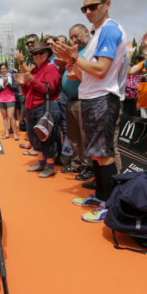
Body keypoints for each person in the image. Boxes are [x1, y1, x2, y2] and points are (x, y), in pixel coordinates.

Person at [54, 0, 128, 222]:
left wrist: (74, 59)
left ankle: (111, 204)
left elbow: (101, 69)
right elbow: (83, 75)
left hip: (102, 98)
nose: (88, 11)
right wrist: (70, 64)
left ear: (107, 5)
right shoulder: (98, 34)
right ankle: (101, 196)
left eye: (93, 6)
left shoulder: (109, 30)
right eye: (84, 8)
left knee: (104, 154)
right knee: (95, 154)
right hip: (91, 97)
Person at [16, 42, 61, 178]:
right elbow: (28, 91)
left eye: (41, 53)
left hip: (44, 106)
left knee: (46, 136)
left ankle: (50, 165)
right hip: (32, 107)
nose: (38, 55)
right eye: (35, 53)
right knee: (34, 136)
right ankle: (41, 162)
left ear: (47, 53)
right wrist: (23, 84)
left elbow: (50, 89)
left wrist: (32, 80)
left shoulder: (51, 68)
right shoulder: (35, 70)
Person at [60, 24, 93, 181]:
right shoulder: (76, 52)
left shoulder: (89, 51)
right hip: (70, 100)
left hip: (83, 99)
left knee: (84, 136)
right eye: (71, 37)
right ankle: (76, 163)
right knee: (73, 136)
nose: (73, 40)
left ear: (86, 32)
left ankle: (88, 166)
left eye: (76, 36)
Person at [0, 63, 19, 140]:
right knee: (4, 117)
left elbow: (15, 88)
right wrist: (3, 85)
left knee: (11, 117)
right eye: (2, 69)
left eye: (4, 68)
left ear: (7, 69)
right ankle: (7, 133)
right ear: (0, 70)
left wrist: (7, 84)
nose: (3, 70)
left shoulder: (11, 76)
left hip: (10, 99)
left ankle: (15, 134)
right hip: (1, 100)